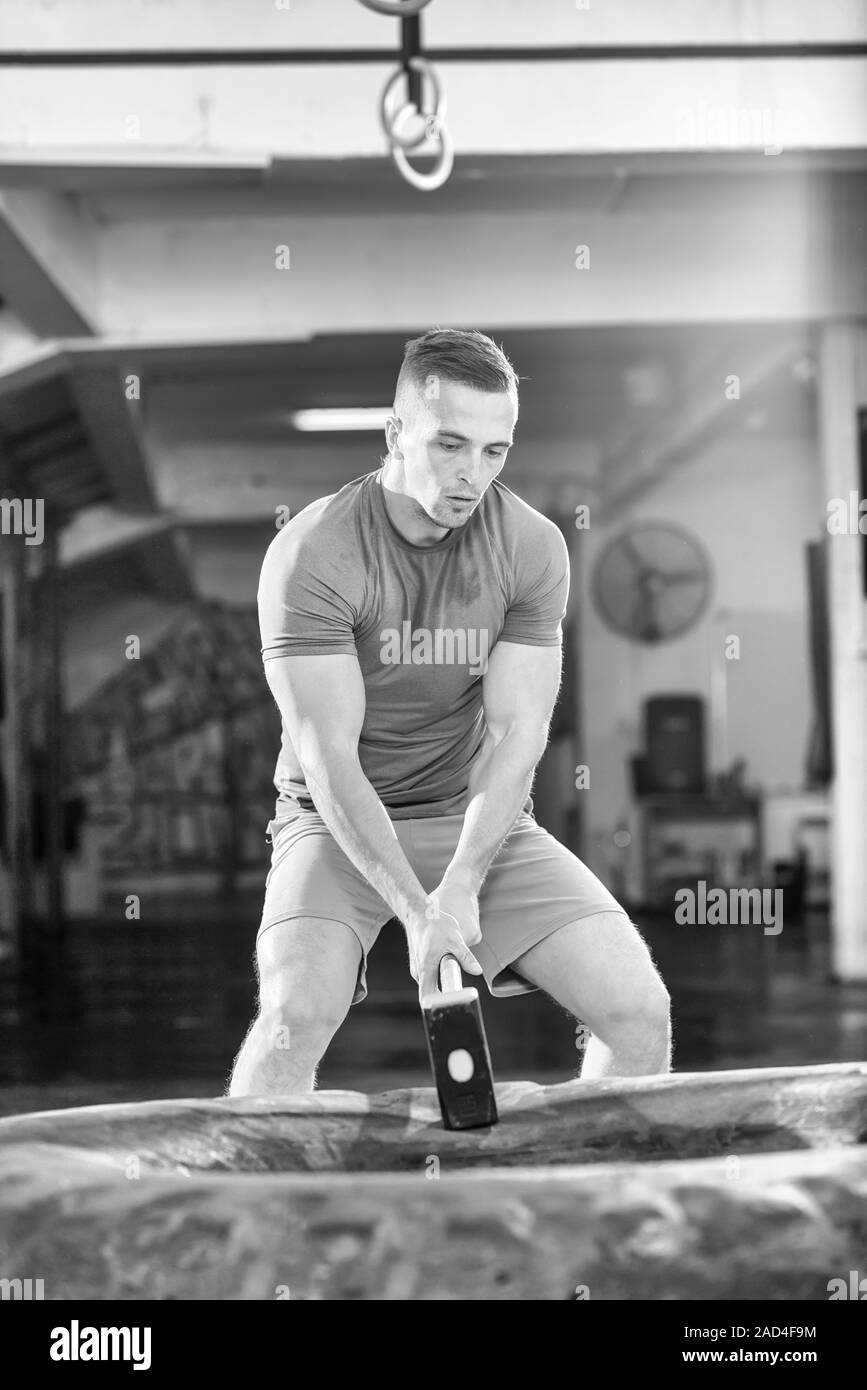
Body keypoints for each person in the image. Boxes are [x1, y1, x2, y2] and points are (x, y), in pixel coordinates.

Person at [229, 328, 671, 1096]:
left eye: (494, 452)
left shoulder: (530, 546)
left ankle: (598, 1200)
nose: (472, 476)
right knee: (293, 1018)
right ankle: (248, 1217)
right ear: (396, 434)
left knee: (638, 1011)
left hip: (473, 816)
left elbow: (517, 731)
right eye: (449, 445)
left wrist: (461, 882)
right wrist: (414, 909)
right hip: (333, 823)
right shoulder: (313, 554)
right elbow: (329, 755)